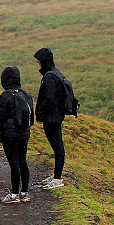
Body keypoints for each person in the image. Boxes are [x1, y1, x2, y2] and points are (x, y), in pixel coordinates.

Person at [0, 66, 34, 203]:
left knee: (14, 163)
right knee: (23, 161)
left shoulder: (5, 96)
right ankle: (25, 192)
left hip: (9, 135)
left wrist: (0, 131)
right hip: (24, 133)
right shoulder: (26, 95)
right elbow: (31, 118)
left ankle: (14, 194)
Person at [34, 47, 71, 190]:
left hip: (52, 117)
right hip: (56, 115)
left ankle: (57, 178)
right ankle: (56, 175)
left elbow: (48, 99)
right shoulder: (56, 73)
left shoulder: (49, 76)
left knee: (57, 147)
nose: (39, 64)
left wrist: (40, 112)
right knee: (57, 146)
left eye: (39, 62)